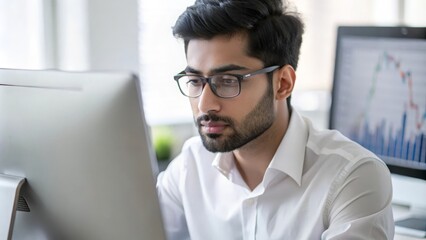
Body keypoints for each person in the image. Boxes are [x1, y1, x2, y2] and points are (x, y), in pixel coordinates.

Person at [156, 0, 395, 239]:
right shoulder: (189, 166)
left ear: (283, 84)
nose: (204, 104)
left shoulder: (353, 176)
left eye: (228, 81)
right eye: (195, 81)